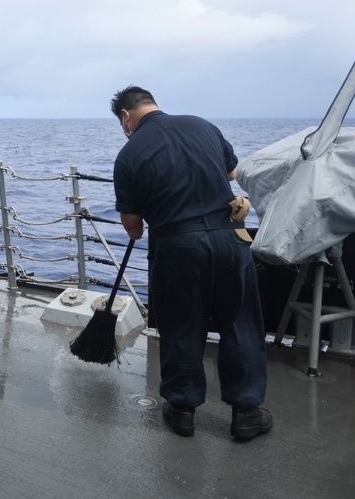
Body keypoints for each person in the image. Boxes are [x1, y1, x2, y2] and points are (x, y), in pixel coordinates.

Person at [110, 86, 271, 440]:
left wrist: (141, 226)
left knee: (182, 326)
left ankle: (182, 411)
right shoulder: (203, 125)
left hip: (178, 247)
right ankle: (246, 414)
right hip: (230, 239)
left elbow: (132, 224)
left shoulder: (129, 154)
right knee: (240, 324)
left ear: (125, 116)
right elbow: (231, 174)